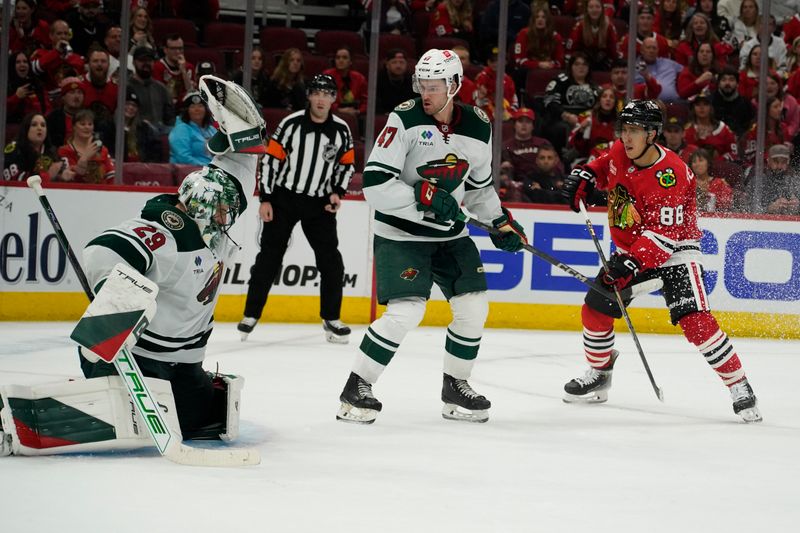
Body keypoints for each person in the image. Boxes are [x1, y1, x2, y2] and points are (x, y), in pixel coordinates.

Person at [65, 75, 268, 446]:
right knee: (128, 424)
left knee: (204, 422)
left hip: (186, 361)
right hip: (143, 358)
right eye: (222, 212)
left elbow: (240, 170)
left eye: (230, 209)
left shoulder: (219, 212)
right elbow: (101, 251)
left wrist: (242, 131)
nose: (229, 217)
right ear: (201, 210)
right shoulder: (166, 231)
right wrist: (120, 299)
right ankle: (97, 378)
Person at [334, 49, 528, 425]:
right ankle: (356, 386)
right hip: (400, 233)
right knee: (407, 311)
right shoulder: (404, 118)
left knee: (473, 307)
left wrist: (501, 221)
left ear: (454, 85)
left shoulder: (477, 125)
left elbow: (478, 189)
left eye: (436, 87)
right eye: (423, 85)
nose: (427, 93)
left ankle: (455, 386)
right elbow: (375, 185)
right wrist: (423, 199)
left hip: (449, 236)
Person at [561, 99, 761, 423]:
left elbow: (663, 235)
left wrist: (629, 264)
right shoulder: (620, 150)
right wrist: (586, 174)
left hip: (676, 252)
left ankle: (738, 384)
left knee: (695, 321)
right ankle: (599, 372)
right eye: (624, 129)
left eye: (635, 131)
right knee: (595, 308)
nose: (627, 137)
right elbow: (604, 165)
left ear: (653, 134)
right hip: (631, 251)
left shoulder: (672, 175)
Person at [237, 74, 355, 344]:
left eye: (328, 94)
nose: (322, 99)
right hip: (284, 199)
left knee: (331, 263)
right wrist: (265, 198)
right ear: (309, 96)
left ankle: (331, 318)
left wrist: (337, 192)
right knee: (269, 257)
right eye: (318, 93)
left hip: (319, 202)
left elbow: (346, 164)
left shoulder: (341, 130)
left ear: (334, 98)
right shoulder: (291, 125)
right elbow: (270, 161)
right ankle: (250, 314)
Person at [30, 19, 86, 100]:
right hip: (48, 101)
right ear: (51, 36)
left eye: (66, 33)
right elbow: (34, 70)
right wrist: (56, 52)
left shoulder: (78, 59)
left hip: (72, 100)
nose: (63, 36)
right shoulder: (40, 54)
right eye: (59, 33)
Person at [56, 108, 116, 184]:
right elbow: (68, 177)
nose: (87, 127)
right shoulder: (64, 151)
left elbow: (111, 176)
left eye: (90, 124)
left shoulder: (102, 150)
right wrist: (84, 158)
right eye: (82, 124)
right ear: (74, 127)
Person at [2, 112, 62, 182]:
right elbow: (15, 180)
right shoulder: (14, 149)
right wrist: (47, 176)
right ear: (26, 128)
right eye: (34, 125)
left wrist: (61, 177)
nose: (39, 128)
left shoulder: (51, 152)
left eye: (43, 125)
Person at [129, 45, 176, 135]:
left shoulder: (161, 88)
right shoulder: (126, 87)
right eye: (142, 60)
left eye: (149, 60)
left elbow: (170, 118)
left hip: (160, 134)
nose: (146, 64)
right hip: (136, 134)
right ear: (134, 62)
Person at [743, 143, 800, 214]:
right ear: (768, 160)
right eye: (776, 161)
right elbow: (745, 209)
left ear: (788, 162)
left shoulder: (795, 181)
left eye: (783, 162)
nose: (779, 166)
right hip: (764, 224)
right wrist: (768, 209)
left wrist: (797, 206)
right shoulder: (757, 182)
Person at [501, 107, 552, 184]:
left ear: (533, 126)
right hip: (516, 185)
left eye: (528, 122)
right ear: (514, 125)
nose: (524, 125)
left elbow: (556, 164)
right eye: (520, 121)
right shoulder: (506, 146)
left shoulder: (543, 143)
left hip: (542, 183)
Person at [684, 92, 738, 161]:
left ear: (711, 107)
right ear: (693, 108)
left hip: (720, 167)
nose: (701, 108)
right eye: (698, 105)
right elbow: (685, 153)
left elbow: (733, 153)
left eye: (705, 104)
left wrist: (718, 161)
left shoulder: (723, 129)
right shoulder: (688, 130)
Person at [566, 0, 618, 71]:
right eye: (591, 7)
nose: (594, 10)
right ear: (587, 10)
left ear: (602, 9)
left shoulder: (609, 27)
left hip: (602, 61)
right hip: (584, 59)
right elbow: (572, 48)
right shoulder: (580, 26)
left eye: (597, 7)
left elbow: (613, 50)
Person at [512, 4, 565, 72]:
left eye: (543, 17)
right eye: (537, 17)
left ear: (548, 20)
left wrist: (549, 65)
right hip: (528, 71)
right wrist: (538, 64)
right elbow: (519, 60)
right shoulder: (524, 34)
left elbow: (560, 62)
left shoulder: (556, 37)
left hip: (549, 70)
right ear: (533, 20)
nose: (540, 19)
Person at [169, 92, 217, 165]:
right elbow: (183, 157)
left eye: (200, 106)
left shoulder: (211, 129)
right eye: (192, 107)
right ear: (186, 111)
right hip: (188, 172)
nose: (197, 109)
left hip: (212, 171)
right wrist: (207, 168)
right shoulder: (181, 129)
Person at [474, 46, 519, 121]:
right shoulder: (482, 78)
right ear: (488, 62)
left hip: (505, 115)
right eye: (492, 60)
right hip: (486, 116)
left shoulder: (509, 80)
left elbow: (514, 100)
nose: (496, 63)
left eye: (499, 60)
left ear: (505, 62)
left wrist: (509, 113)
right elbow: (478, 102)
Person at [323, 46, 367, 119]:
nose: (341, 60)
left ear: (350, 61)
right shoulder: (327, 76)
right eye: (338, 57)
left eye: (344, 57)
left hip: (355, 115)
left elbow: (366, 101)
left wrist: (359, 111)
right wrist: (339, 110)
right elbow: (322, 99)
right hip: (332, 114)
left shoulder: (359, 78)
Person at [7, 51, 51, 123]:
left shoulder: (37, 83)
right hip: (14, 127)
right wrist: (16, 97)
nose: (22, 64)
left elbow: (48, 108)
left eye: (25, 62)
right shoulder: (5, 84)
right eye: (18, 62)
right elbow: (3, 110)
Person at [153, 34, 196, 105]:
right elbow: (157, 94)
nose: (178, 52)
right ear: (165, 50)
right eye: (173, 49)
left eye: (180, 48)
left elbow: (191, 93)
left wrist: (183, 71)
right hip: (164, 106)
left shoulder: (189, 67)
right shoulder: (157, 67)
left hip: (184, 107)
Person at [711, 65, 754, 137]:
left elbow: (749, 128)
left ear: (737, 84)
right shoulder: (710, 102)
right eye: (724, 80)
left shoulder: (745, 104)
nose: (727, 83)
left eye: (731, 80)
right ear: (718, 83)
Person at [637, 36, 684, 103]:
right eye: (648, 48)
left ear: (658, 50)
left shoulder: (669, 64)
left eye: (654, 48)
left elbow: (687, 71)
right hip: (647, 107)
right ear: (642, 50)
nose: (651, 51)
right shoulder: (635, 66)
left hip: (672, 105)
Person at [121, 89, 162, 162]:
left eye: (134, 105)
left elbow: (155, 150)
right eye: (127, 103)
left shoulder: (144, 128)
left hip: (142, 169)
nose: (130, 108)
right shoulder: (111, 126)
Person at [47, 76, 86, 147]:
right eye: (72, 92)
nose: (76, 96)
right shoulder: (53, 118)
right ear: (63, 97)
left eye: (80, 92)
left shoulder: (89, 117)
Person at [263, 48, 307, 112]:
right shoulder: (274, 83)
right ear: (285, 62)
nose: (295, 63)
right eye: (291, 60)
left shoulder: (303, 84)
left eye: (298, 60)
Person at [375, 48, 416, 114]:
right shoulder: (377, 80)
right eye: (394, 62)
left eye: (402, 62)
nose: (398, 66)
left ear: (406, 65)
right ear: (387, 65)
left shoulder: (412, 81)